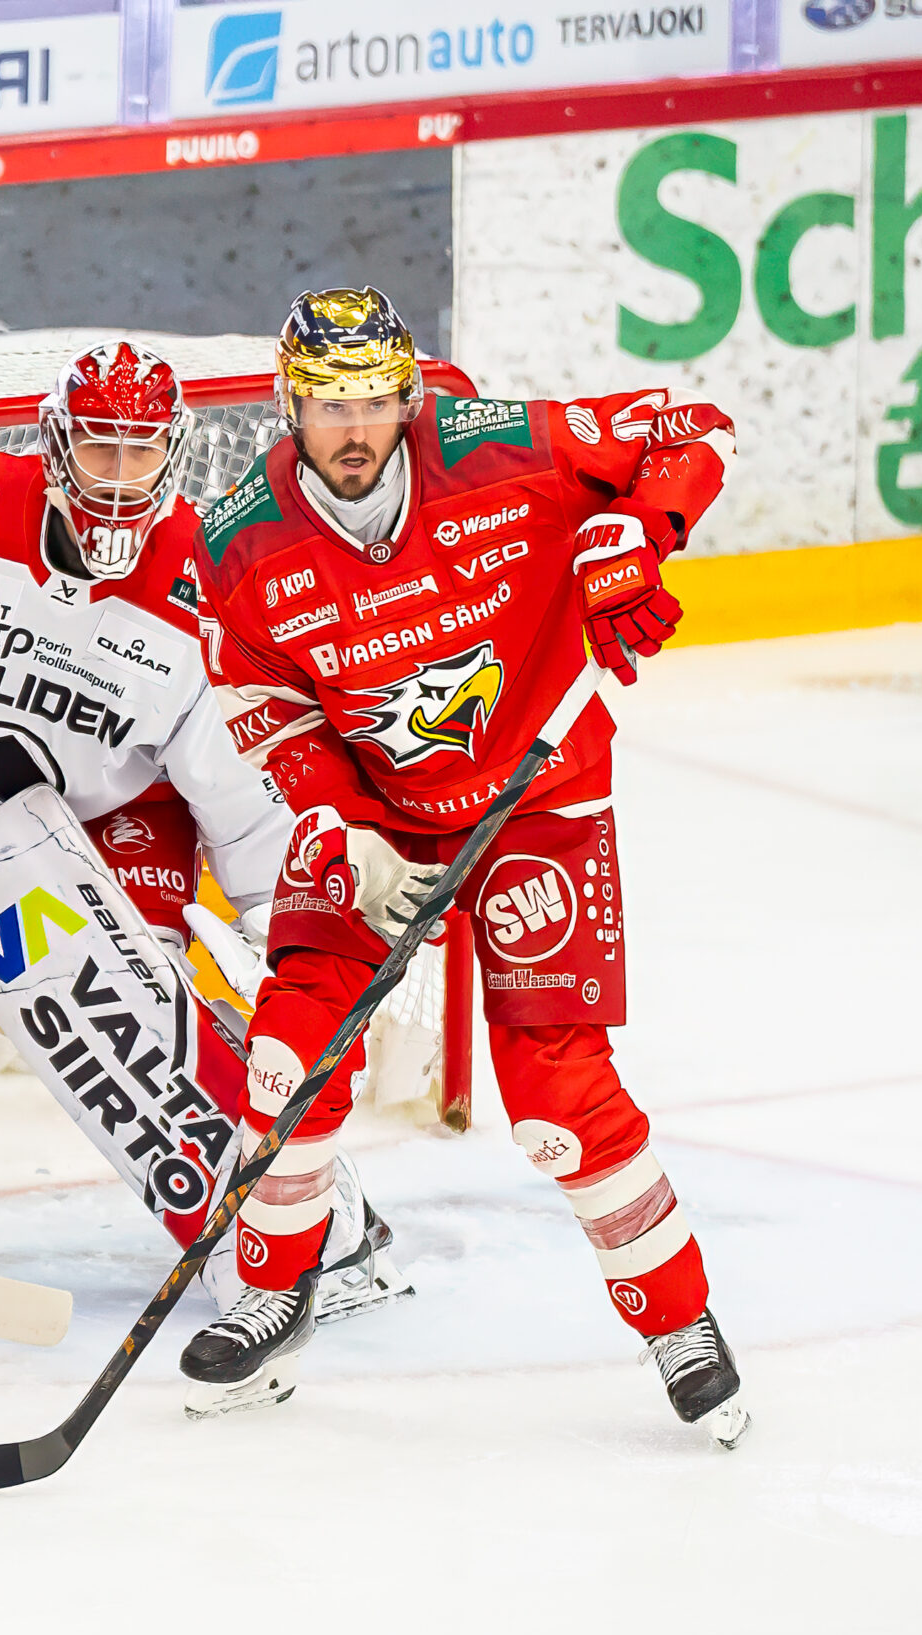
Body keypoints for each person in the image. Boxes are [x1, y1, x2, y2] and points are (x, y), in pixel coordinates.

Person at [0, 341, 404, 1318]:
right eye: (100, 447)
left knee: (116, 1011)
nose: (121, 477)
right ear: (55, 444)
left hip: (103, 824)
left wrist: (301, 943)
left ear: (174, 453)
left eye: (142, 452)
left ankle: (298, 1229)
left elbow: (250, 801)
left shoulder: (210, 584)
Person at [195, 286, 749, 1441]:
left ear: (408, 397)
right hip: (372, 817)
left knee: (555, 1101)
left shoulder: (505, 449)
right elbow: (265, 702)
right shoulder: (240, 541)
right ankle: (270, 1294)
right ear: (289, 405)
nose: (355, 428)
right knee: (290, 1056)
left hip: (533, 800)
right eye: (330, 404)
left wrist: (635, 535)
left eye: (375, 402)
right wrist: (340, 824)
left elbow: (694, 426)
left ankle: (676, 1319)